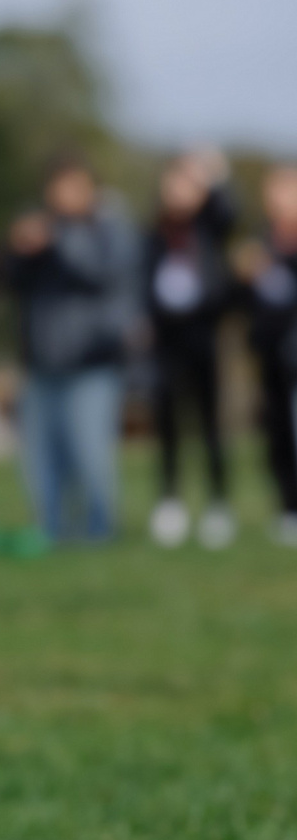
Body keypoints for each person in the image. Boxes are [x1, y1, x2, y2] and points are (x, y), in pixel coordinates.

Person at [3, 156, 139, 547]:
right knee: (43, 460)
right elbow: (11, 281)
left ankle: (99, 532)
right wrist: (20, 250)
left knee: (90, 453)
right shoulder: (38, 231)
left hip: (91, 362)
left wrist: (58, 241)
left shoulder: (108, 229)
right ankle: (51, 532)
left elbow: (101, 273)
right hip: (41, 364)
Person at [142, 149, 239, 549]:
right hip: (166, 340)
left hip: (203, 335)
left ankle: (218, 504)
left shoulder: (209, 226)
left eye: (187, 185)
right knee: (167, 424)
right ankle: (170, 502)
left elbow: (229, 211)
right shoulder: (155, 232)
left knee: (210, 424)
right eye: (173, 184)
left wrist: (213, 177)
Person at [240, 163, 297, 549]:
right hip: (271, 354)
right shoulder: (261, 241)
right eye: (272, 190)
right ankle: (289, 508)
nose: (277, 198)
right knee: (278, 434)